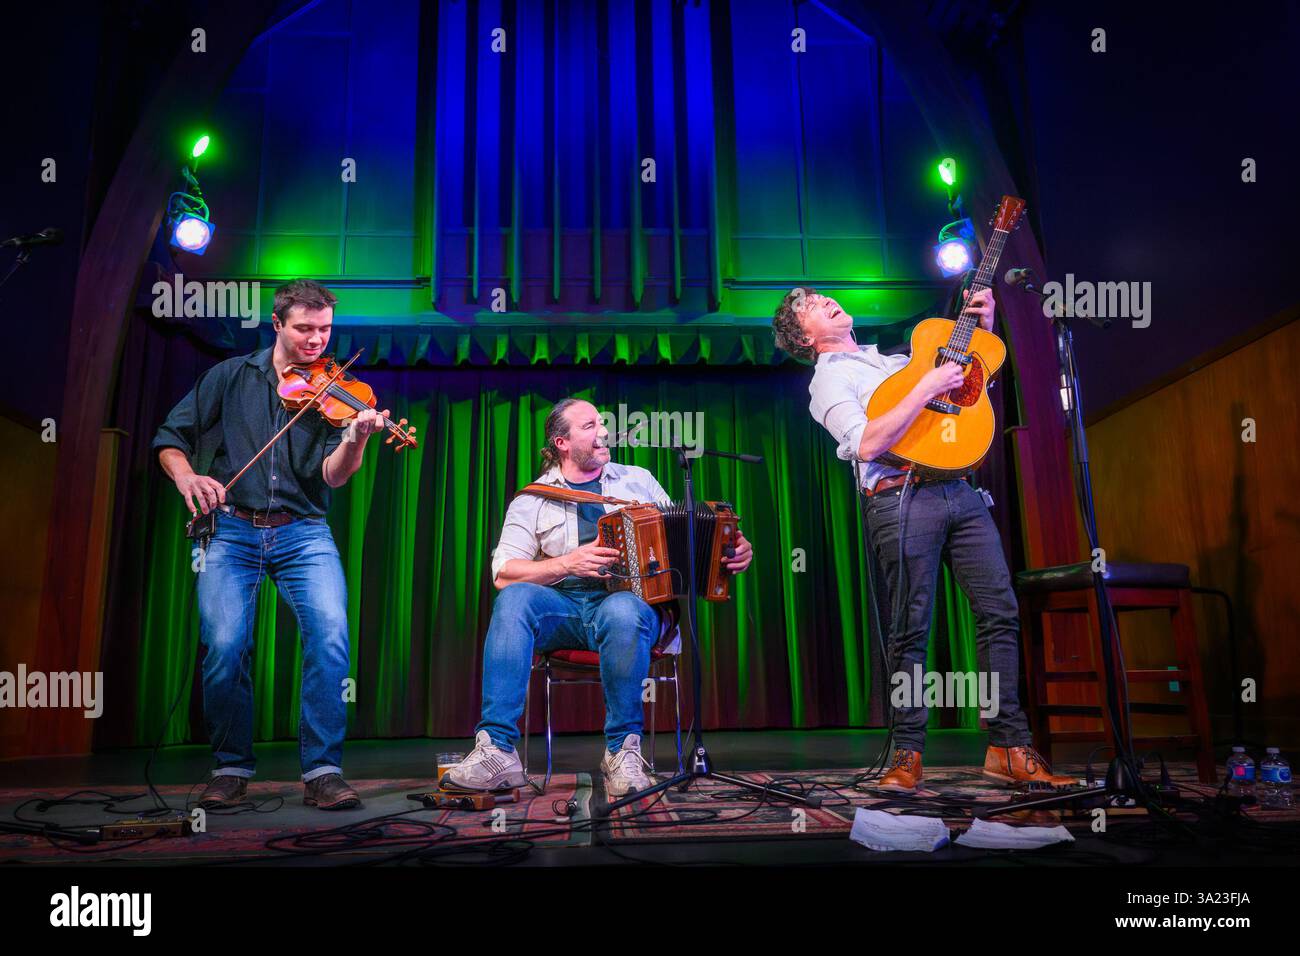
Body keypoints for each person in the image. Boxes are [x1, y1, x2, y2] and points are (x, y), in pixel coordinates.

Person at [771, 287, 1072, 793]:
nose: (826, 300)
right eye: (812, 304)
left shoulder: (894, 360)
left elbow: (969, 392)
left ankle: (1008, 747)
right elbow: (866, 442)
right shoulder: (829, 380)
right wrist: (925, 384)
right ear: (804, 336)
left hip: (958, 489)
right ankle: (907, 754)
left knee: (1000, 611)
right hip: (899, 495)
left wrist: (987, 328)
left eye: (824, 295)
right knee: (911, 627)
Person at [153, 278, 391, 810]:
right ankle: (231, 766)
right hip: (233, 528)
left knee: (330, 637)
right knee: (224, 646)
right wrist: (188, 478)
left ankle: (324, 771)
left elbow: (333, 476)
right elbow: (171, 438)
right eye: (304, 329)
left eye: (325, 330)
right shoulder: (230, 376)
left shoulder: (338, 390)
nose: (316, 341)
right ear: (278, 324)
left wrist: (355, 437)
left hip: (304, 531)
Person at [441, 398, 754, 798]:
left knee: (623, 611)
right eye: (589, 426)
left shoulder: (636, 480)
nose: (603, 432)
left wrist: (729, 552)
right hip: (565, 607)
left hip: (630, 597)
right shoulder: (532, 499)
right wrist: (567, 564)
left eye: (601, 424)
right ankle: (498, 751)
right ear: (562, 442)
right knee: (515, 599)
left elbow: (682, 535)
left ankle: (623, 751)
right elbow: (503, 572)